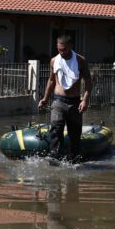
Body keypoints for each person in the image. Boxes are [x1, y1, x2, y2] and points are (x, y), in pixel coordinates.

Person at [38, 35, 92, 163]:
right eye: (59, 50)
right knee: (56, 129)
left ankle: (73, 162)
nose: (62, 52)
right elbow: (51, 80)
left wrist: (85, 100)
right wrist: (45, 99)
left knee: (74, 134)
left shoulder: (80, 60)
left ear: (71, 46)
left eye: (65, 50)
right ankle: (54, 160)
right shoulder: (54, 60)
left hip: (74, 103)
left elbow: (88, 81)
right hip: (58, 101)